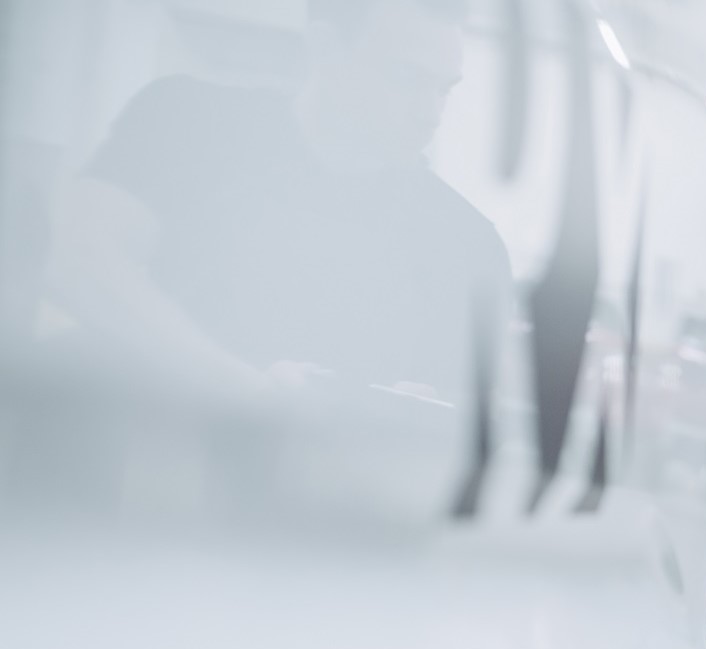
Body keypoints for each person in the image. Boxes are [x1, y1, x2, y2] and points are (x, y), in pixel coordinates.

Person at [46, 0, 509, 404]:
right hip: (143, 476)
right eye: (406, 78)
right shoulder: (191, 122)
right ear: (325, 49)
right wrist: (248, 394)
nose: (430, 113)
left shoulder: (467, 245)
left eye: (444, 88)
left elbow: (471, 416)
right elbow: (76, 256)